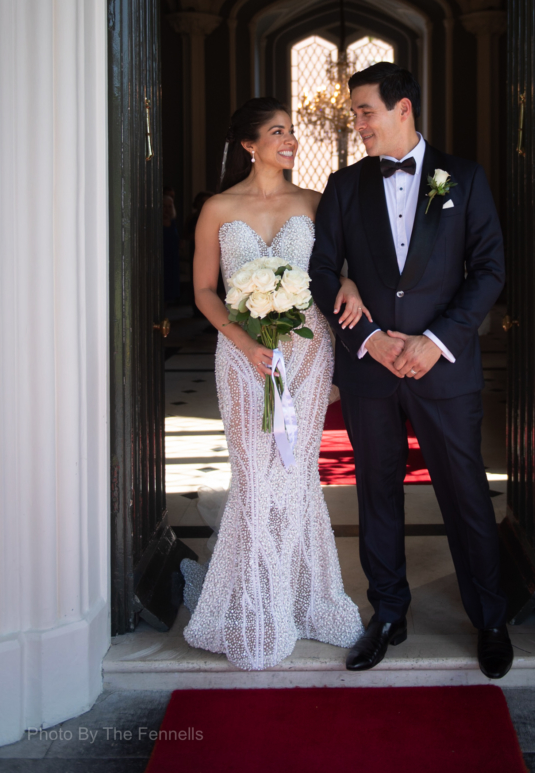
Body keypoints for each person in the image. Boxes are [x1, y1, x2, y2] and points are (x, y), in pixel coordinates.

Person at [309, 62, 513, 679]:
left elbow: (489, 270)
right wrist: (368, 340)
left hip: (443, 370)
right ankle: (388, 614)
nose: (358, 125)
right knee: (375, 494)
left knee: (466, 494)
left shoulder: (465, 178)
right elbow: (321, 272)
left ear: (404, 109)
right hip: (372, 372)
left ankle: (491, 618)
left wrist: (434, 342)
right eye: (354, 115)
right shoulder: (344, 186)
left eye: (366, 112)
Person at [182, 96, 367, 670]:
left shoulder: (316, 201)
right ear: (248, 144)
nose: (290, 140)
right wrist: (245, 343)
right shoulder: (217, 207)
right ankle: (258, 608)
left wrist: (353, 286)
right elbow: (205, 290)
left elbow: (345, 264)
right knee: (255, 474)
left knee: (294, 467)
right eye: (277, 131)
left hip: (306, 352)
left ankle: (306, 599)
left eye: (292, 131)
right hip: (240, 353)